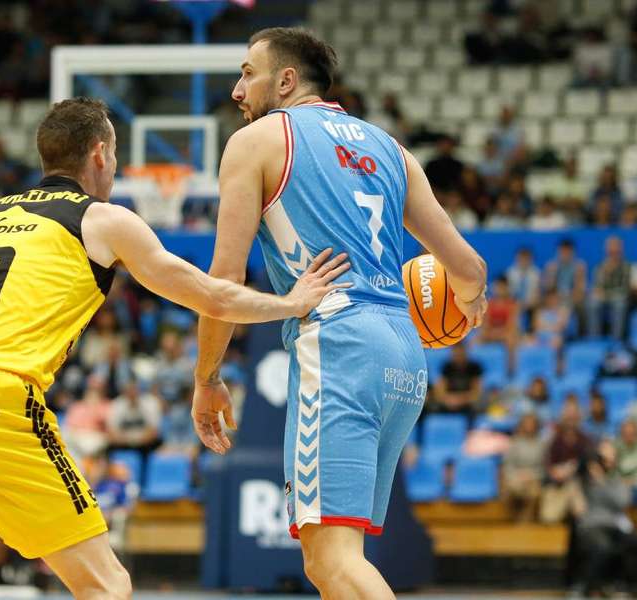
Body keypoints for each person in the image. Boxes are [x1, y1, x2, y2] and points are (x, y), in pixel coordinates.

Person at [0, 97, 349, 600]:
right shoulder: (102, 219)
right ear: (100, 154)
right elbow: (211, 295)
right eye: (117, 154)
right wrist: (292, 301)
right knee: (107, 585)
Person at [191, 28, 488, 599]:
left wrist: (207, 377)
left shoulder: (257, 142)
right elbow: (468, 267)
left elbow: (222, 282)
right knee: (335, 562)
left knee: (332, 562)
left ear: (286, 80)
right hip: (404, 348)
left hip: (337, 341)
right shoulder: (391, 149)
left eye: (247, 72)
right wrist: (469, 304)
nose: (236, 89)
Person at [575, 440, 637, 597]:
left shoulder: (616, 480)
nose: (607, 461)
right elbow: (577, 472)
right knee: (603, 548)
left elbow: (622, 501)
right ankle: (590, 587)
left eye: (611, 458)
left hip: (615, 527)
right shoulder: (584, 478)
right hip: (592, 526)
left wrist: (602, 481)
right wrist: (591, 472)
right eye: (603, 458)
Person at [502, 413, 545, 521]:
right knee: (513, 489)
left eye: (531, 424)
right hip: (516, 478)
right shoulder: (515, 442)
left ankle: (526, 522)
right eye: (526, 423)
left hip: (534, 479)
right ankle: (511, 520)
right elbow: (508, 465)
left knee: (534, 493)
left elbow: (544, 468)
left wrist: (531, 475)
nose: (529, 426)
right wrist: (517, 476)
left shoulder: (542, 444)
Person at [587, 236, 631, 339]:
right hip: (603, 298)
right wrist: (598, 292)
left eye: (616, 248)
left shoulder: (626, 266)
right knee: (593, 303)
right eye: (611, 249)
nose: (613, 251)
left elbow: (625, 288)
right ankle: (594, 338)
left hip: (619, 297)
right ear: (607, 250)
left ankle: (617, 339)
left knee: (620, 304)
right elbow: (596, 286)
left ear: (620, 249)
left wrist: (606, 294)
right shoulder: (600, 267)